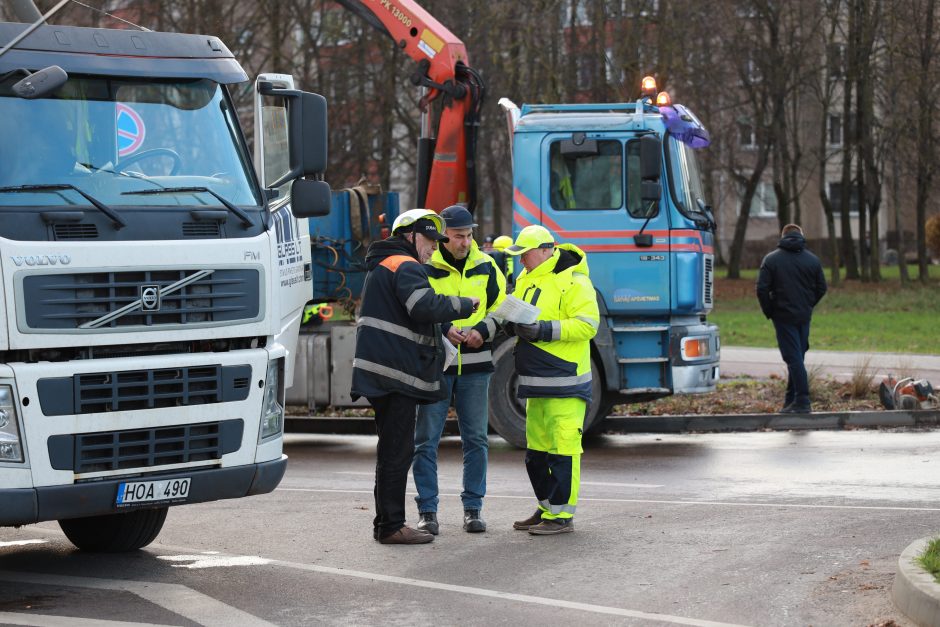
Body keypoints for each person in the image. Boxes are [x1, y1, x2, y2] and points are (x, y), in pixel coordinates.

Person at [351, 208, 479, 545]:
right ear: (411, 236)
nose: (434, 250)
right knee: (397, 452)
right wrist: (464, 304)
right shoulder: (404, 264)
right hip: (395, 375)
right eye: (430, 241)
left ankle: (387, 523)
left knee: (392, 450)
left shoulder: (385, 264)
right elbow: (424, 306)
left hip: (383, 373)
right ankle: (391, 526)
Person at [412, 205, 506, 535]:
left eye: (468, 235)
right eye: (458, 237)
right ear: (443, 237)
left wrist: (484, 329)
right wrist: (442, 328)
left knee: (477, 440)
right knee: (425, 440)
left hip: (477, 366)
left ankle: (473, 508)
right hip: (437, 364)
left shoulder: (487, 266)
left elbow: (502, 309)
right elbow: (416, 308)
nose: (465, 242)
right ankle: (427, 510)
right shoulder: (425, 267)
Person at [502, 225, 599, 535]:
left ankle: (561, 517)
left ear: (546, 250)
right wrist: (509, 324)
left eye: (525, 255)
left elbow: (587, 326)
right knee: (537, 453)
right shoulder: (526, 279)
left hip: (565, 380)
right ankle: (547, 508)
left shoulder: (575, 281)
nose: (522, 261)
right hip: (535, 380)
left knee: (563, 450)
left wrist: (544, 330)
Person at [756, 223, 828, 414]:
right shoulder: (812, 260)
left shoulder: (771, 260)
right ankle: (790, 401)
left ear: (783, 236)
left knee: (793, 357)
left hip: (783, 316)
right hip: (803, 316)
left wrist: (770, 311)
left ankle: (803, 401)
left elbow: (762, 289)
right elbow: (822, 288)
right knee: (797, 357)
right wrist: (808, 304)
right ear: (801, 236)